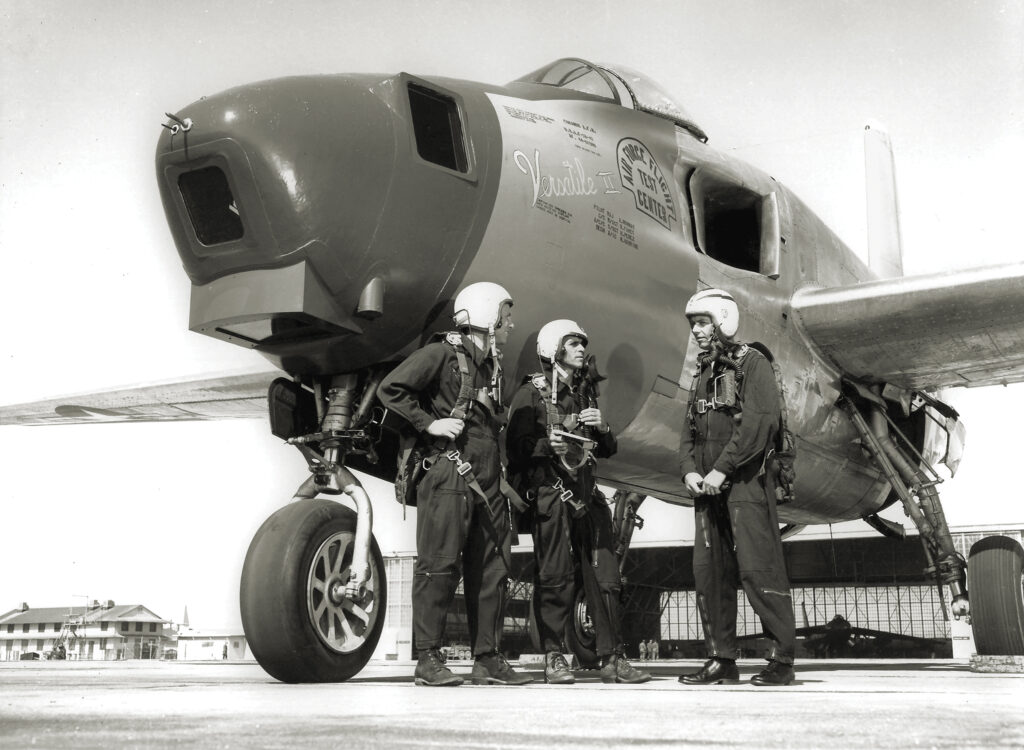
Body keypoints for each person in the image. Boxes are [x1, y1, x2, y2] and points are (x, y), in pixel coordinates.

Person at [378, 281, 532, 688]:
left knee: (493, 569)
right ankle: (428, 659)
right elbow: (390, 388)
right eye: (506, 315)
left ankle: (488, 659)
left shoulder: (491, 367)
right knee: (439, 566)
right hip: (449, 471)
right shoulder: (441, 353)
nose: (510, 324)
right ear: (485, 314)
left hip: (488, 478)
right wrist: (429, 423)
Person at [507, 319, 650, 685]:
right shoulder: (531, 393)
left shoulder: (586, 395)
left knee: (606, 578)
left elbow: (609, 449)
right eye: (572, 343)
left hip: (588, 495)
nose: (581, 349)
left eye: (582, 343)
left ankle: (612, 657)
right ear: (554, 348)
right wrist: (545, 446)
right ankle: (554, 655)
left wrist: (601, 427)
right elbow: (514, 449)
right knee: (553, 575)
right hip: (552, 495)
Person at [677, 289, 796, 687]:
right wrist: (689, 471)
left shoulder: (753, 364)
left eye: (703, 322)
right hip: (706, 490)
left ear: (723, 319)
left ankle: (782, 659)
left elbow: (759, 426)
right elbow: (688, 432)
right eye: (693, 324)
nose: (696, 331)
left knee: (758, 567)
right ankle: (721, 658)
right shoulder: (702, 373)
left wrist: (721, 469)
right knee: (709, 573)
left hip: (745, 483)